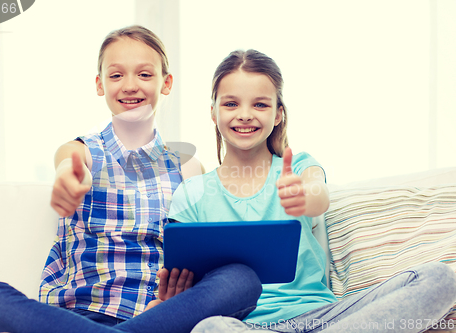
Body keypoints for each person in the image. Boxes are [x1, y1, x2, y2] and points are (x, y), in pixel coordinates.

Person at [0, 26, 262, 333]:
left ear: (166, 83)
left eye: (145, 75)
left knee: (242, 279)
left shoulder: (187, 167)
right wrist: (68, 176)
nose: (130, 86)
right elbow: (69, 161)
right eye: (117, 75)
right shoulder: (84, 152)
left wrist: (176, 294)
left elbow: (194, 255)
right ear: (100, 84)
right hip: (75, 317)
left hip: (156, 315)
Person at [167, 49, 456, 333]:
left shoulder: (300, 166)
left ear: (278, 114)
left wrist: (305, 195)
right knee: (211, 327)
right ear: (213, 112)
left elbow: (318, 197)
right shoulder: (192, 192)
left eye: (260, 105)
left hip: (325, 317)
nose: (244, 115)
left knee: (439, 278)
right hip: (242, 324)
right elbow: (186, 277)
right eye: (231, 104)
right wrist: (175, 298)